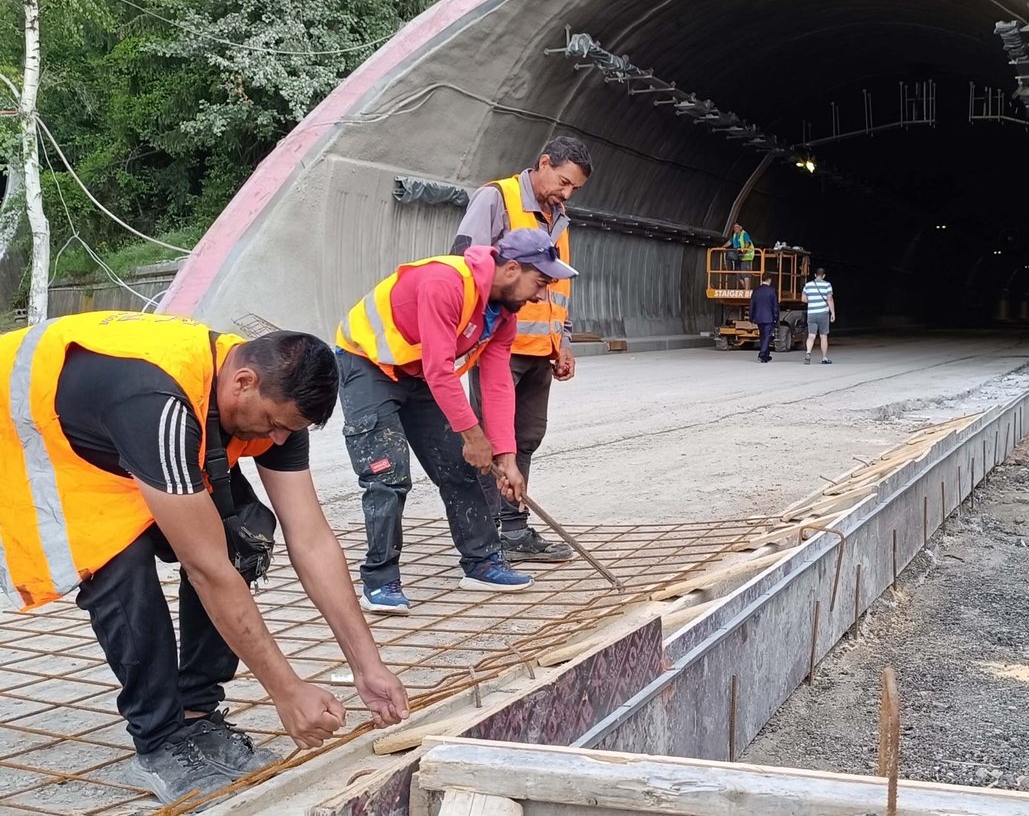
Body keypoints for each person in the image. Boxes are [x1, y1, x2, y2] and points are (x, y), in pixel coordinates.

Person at [0, 312, 410, 803]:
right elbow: (206, 569)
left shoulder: (278, 395)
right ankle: (160, 740)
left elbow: (312, 537)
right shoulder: (160, 406)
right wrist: (287, 691)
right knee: (119, 563)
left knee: (244, 535)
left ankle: (195, 713)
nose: (277, 440)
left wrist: (369, 665)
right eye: (275, 425)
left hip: (116, 434)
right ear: (243, 382)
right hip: (35, 439)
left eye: (288, 431)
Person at [336, 228, 578, 613]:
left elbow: (497, 384)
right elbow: (440, 369)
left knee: (462, 467)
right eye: (540, 282)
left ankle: (482, 562)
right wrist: (474, 437)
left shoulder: (502, 314)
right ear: (512, 268)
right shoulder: (446, 283)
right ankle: (379, 581)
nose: (540, 295)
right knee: (388, 476)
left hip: (417, 374)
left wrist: (506, 456)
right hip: (368, 365)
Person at [450, 137, 591, 564]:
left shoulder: (559, 218)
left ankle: (512, 528)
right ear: (543, 162)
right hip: (499, 345)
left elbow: (558, 285)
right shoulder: (497, 199)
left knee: (525, 438)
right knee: (492, 441)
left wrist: (563, 340)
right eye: (563, 182)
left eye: (574, 190)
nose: (566, 194)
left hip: (540, 350)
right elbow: (465, 265)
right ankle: (483, 535)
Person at [803, 267, 836, 365]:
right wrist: (833, 313)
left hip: (811, 313)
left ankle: (808, 352)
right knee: (823, 336)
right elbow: (830, 299)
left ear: (814, 275)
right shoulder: (827, 285)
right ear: (824, 275)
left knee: (811, 336)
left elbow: (803, 299)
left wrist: (812, 301)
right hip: (823, 314)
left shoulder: (808, 285)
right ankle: (824, 358)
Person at [751, 274, 780, 363]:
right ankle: (762, 354)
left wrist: (751, 317)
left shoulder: (756, 290)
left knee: (762, 336)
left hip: (759, 317)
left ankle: (766, 355)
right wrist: (776, 317)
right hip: (769, 317)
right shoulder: (772, 291)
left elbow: (752, 305)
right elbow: (775, 306)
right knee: (767, 336)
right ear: (769, 280)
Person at [725, 223, 756, 289]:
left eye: (737, 227)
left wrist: (744, 251)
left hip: (746, 256)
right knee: (738, 275)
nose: (735, 228)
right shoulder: (734, 236)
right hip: (738, 257)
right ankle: (746, 289)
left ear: (740, 227)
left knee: (744, 273)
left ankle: (747, 290)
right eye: (734, 227)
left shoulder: (744, 234)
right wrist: (721, 247)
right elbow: (729, 242)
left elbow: (747, 243)